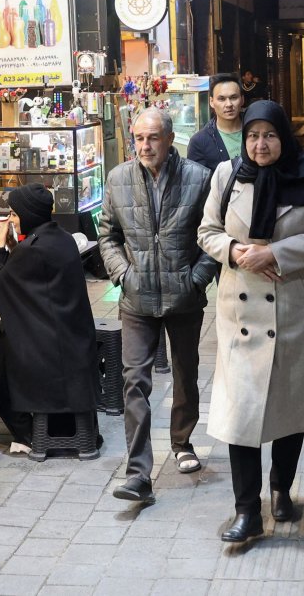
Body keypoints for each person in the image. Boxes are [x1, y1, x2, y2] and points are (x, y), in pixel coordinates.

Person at [197, 100, 304, 543]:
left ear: (284, 137)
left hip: (292, 307)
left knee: (289, 408)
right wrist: (236, 252)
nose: (260, 144)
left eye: (269, 135)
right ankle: (246, 510)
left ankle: (281, 489)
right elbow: (206, 232)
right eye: (253, 136)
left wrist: (274, 252)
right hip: (239, 313)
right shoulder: (226, 176)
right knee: (241, 414)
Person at [100, 107, 220, 504]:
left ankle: (182, 442)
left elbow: (213, 235)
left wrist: (197, 278)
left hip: (183, 295)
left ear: (170, 140)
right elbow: (107, 235)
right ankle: (138, 472)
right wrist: (123, 275)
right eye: (138, 138)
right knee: (135, 379)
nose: (145, 146)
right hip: (136, 298)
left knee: (186, 372)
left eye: (153, 138)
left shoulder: (198, 178)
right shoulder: (118, 179)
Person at [0, 183, 100, 448]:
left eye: (13, 214)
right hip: (70, 339)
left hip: (51, 350)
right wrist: (12, 244)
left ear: (28, 215)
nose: (10, 219)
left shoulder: (33, 249)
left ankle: (28, 434)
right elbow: (24, 276)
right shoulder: (60, 237)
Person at [187, 73, 243, 172]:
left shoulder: (255, 128)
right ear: (211, 102)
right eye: (221, 99)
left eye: (233, 97)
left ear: (242, 99)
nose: (229, 104)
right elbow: (198, 183)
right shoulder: (199, 142)